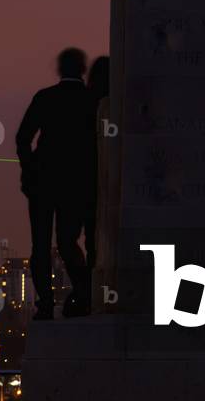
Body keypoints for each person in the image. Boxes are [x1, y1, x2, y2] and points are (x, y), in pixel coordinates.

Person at [16, 47, 95, 319]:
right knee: (67, 242)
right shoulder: (91, 101)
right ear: (83, 70)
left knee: (40, 246)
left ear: (60, 69)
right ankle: (84, 292)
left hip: (43, 181)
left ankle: (45, 304)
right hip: (75, 184)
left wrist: (29, 169)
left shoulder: (45, 97)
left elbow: (22, 138)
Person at [84, 55, 109, 275]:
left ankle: (91, 282)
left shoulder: (86, 105)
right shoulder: (118, 106)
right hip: (108, 179)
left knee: (91, 237)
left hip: (87, 179)